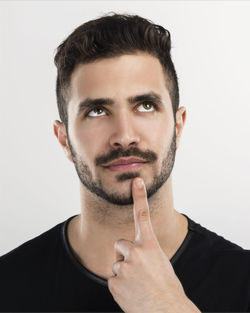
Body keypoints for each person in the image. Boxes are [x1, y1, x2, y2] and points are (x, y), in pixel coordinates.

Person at [0, 12, 249, 313]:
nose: (125, 136)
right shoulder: (8, 285)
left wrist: (167, 306)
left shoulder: (242, 282)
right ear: (64, 139)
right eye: (97, 111)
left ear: (178, 126)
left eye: (146, 105)